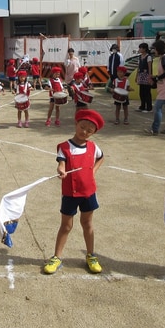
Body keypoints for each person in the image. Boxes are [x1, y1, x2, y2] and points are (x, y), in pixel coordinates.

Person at [43, 109, 105, 276]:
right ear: (76, 124)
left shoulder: (93, 147)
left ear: (93, 133)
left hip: (88, 192)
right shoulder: (64, 147)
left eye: (89, 130)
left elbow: (101, 157)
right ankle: (57, 257)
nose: (84, 132)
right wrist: (61, 170)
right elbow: (61, 163)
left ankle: (91, 255)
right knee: (66, 226)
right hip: (70, 193)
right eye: (82, 127)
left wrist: (93, 172)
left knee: (87, 224)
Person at [135, 42, 153, 113]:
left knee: (147, 92)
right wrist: (136, 76)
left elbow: (149, 67)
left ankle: (149, 107)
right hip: (141, 75)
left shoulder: (148, 57)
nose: (139, 49)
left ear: (144, 49)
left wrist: (150, 76)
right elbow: (138, 67)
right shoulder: (140, 57)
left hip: (146, 75)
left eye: (141, 48)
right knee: (141, 92)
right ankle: (142, 106)